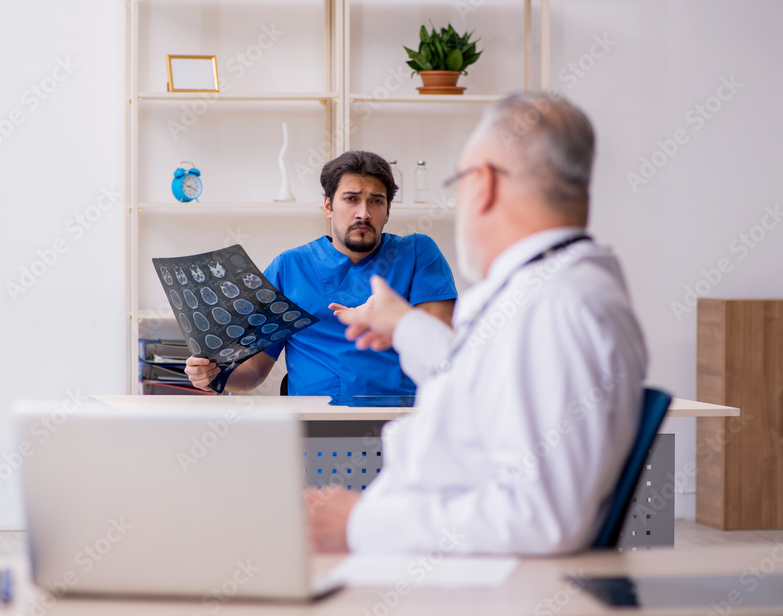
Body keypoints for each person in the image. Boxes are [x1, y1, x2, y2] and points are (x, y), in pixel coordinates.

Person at [307, 92, 648, 555]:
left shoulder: (553, 308)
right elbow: (481, 383)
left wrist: (362, 524)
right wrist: (404, 326)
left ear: (482, 183)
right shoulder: (544, 289)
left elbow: (542, 518)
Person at [185, 151, 457, 402]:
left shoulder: (418, 253)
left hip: (401, 417)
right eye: (351, 199)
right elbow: (254, 370)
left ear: (387, 212)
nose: (364, 213)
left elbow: (441, 351)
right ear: (328, 206)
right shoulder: (289, 267)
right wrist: (212, 376)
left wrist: (394, 318)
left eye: (376, 201)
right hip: (315, 422)